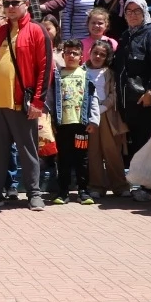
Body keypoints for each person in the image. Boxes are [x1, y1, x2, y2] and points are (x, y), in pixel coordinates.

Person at [0, 0, 51, 210]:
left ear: (26, 4)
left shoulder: (37, 31)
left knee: (27, 150)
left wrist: (38, 102)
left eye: (15, 3)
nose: (10, 7)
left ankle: (34, 193)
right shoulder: (0, 32)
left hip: (22, 102)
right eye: (7, 4)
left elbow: (45, 69)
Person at [113, 0, 151, 200]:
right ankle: (144, 184)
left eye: (137, 11)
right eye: (129, 11)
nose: (133, 15)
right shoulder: (126, 35)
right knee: (138, 144)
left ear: (144, 12)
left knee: (148, 143)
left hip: (146, 101)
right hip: (129, 102)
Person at [51, 39, 95, 205]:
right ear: (63, 55)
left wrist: (93, 120)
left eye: (75, 53)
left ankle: (84, 191)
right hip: (63, 125)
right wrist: (51, 121)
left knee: (82, 158)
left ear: (81, 57)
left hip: (81, 124)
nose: (71, 56)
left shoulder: (86, 75)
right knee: (63, 158)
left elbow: (94, 99)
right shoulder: (57, 75)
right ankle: (63, 192)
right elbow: (50, 99)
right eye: (68, 53)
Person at [84, 40, 124, 199]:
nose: (98, 57)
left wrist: (103, 107)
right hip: (89, 116)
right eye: (95, 53)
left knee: (111, 150)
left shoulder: (109, 73)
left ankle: (120, 185)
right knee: (93, 151)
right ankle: (96, 186)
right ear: (90, 53)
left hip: (106, 114)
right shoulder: (82, 70)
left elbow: (114, 94)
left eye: (102, 54)